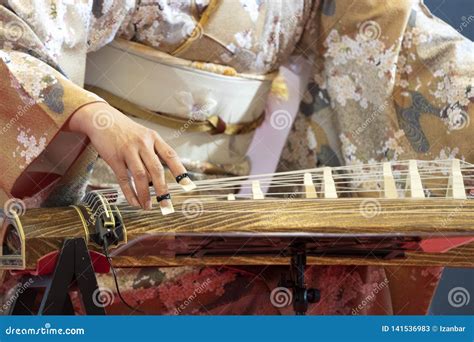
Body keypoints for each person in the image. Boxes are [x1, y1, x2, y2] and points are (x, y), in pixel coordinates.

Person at [0, 0, 472, 315]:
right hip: (115, 209)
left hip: (226, 212)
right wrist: (94, 116)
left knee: (345, 272)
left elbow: (394, 39)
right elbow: (15, 39)